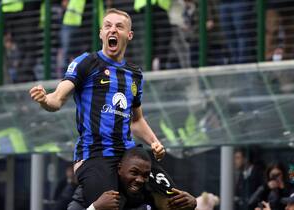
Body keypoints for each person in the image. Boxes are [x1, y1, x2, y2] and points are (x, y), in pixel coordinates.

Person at [29, 8, 165, 208]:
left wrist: (155, 142)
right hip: (95, 154)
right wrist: (44, 100)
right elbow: (57, 99)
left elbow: (136, 120)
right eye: (108, 26)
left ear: (129, 35)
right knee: (110, 205)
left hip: (128, 153)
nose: (113, 30)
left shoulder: (135, 74)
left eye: (119, 26)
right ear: (100, 33)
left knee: (174, 198)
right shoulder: (87, 62)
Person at [67, 147, 197, 210]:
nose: (140, 179)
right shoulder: (95, 187)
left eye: (145, 175)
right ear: (119, 169)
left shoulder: (147, 191)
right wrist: (95, 207)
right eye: (134, 173)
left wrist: (191, 205)